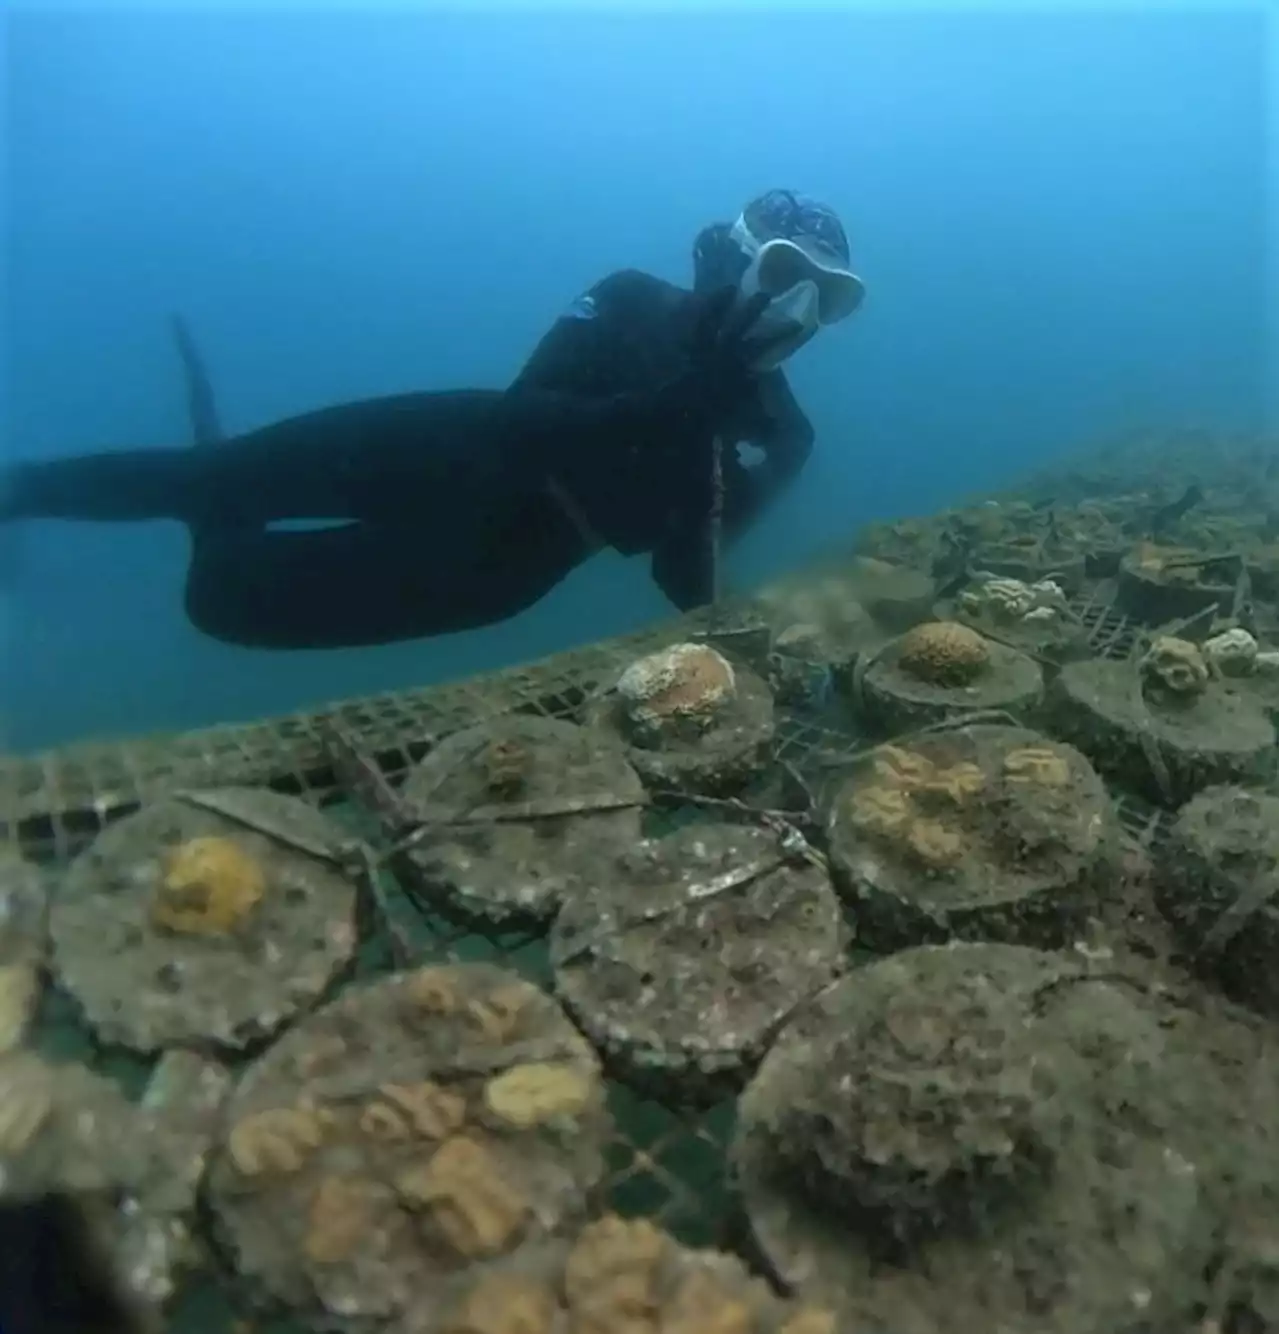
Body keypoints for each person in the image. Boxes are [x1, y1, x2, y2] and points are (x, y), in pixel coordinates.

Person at [1, 189, 865, 649]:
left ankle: (217, 530)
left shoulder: (783, 434)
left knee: (217, 597)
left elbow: (686, 579)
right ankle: (17, 490)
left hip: (509, 559)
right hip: (455, 443)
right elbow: (526, 416)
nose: (797, 305)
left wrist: (701, 444)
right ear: (739, 254)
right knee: (208, 478)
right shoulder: (636, 299)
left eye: (827, 297)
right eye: (786, 269)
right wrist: (684, 397)